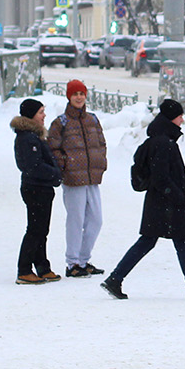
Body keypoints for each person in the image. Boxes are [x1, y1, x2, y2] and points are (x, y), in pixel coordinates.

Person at [102, 100, 185, 301]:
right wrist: (177, 196)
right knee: (177, 242)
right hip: (166, 204)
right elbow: (161, 176)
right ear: (171, 118)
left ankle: (116, 279)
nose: (182, 120)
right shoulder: (163, 143)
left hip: (160, 202)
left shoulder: (161, 139)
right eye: (179, 116)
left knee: (157, 241)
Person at [48, 79, 109, 278]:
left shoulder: (92, 119)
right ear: (69, 96)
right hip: (73, 179)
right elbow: (53, 148)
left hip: (92, 177)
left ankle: (84, 260)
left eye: (82, 93)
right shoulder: (60, 123)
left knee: (96, 220)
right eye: (75, 94)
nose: (79, 97)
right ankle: (72, 262)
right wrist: (65, 164)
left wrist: (101, 161)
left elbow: (101, 143)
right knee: (76, 219)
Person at [11, 98, 63, 285]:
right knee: (35, 230)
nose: (44, 116)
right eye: (41, 112)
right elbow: (33, 166)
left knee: (42, 230)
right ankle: (24, 270)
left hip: (42, 188)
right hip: (35, 189)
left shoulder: (34, 135)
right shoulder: (27, 138)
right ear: (32, 115)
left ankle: (42, 266)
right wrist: (55, 174)